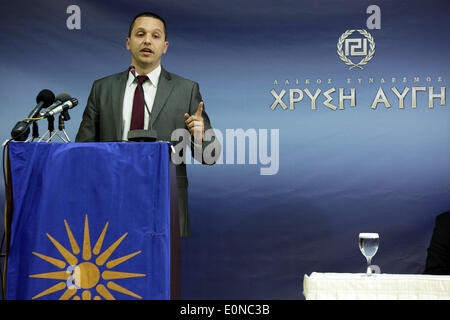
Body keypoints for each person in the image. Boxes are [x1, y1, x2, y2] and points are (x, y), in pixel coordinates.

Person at [75, 12, 221, 237]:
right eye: (140, 34)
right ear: (128, 42)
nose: (147, 41)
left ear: (165, 46)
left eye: (155, 36)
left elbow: (210, 157)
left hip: (164, 202)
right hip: (111, 201)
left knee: (161, 272)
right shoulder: (102, 89)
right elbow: (82, 152)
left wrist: (199, 137)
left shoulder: (186, 90)